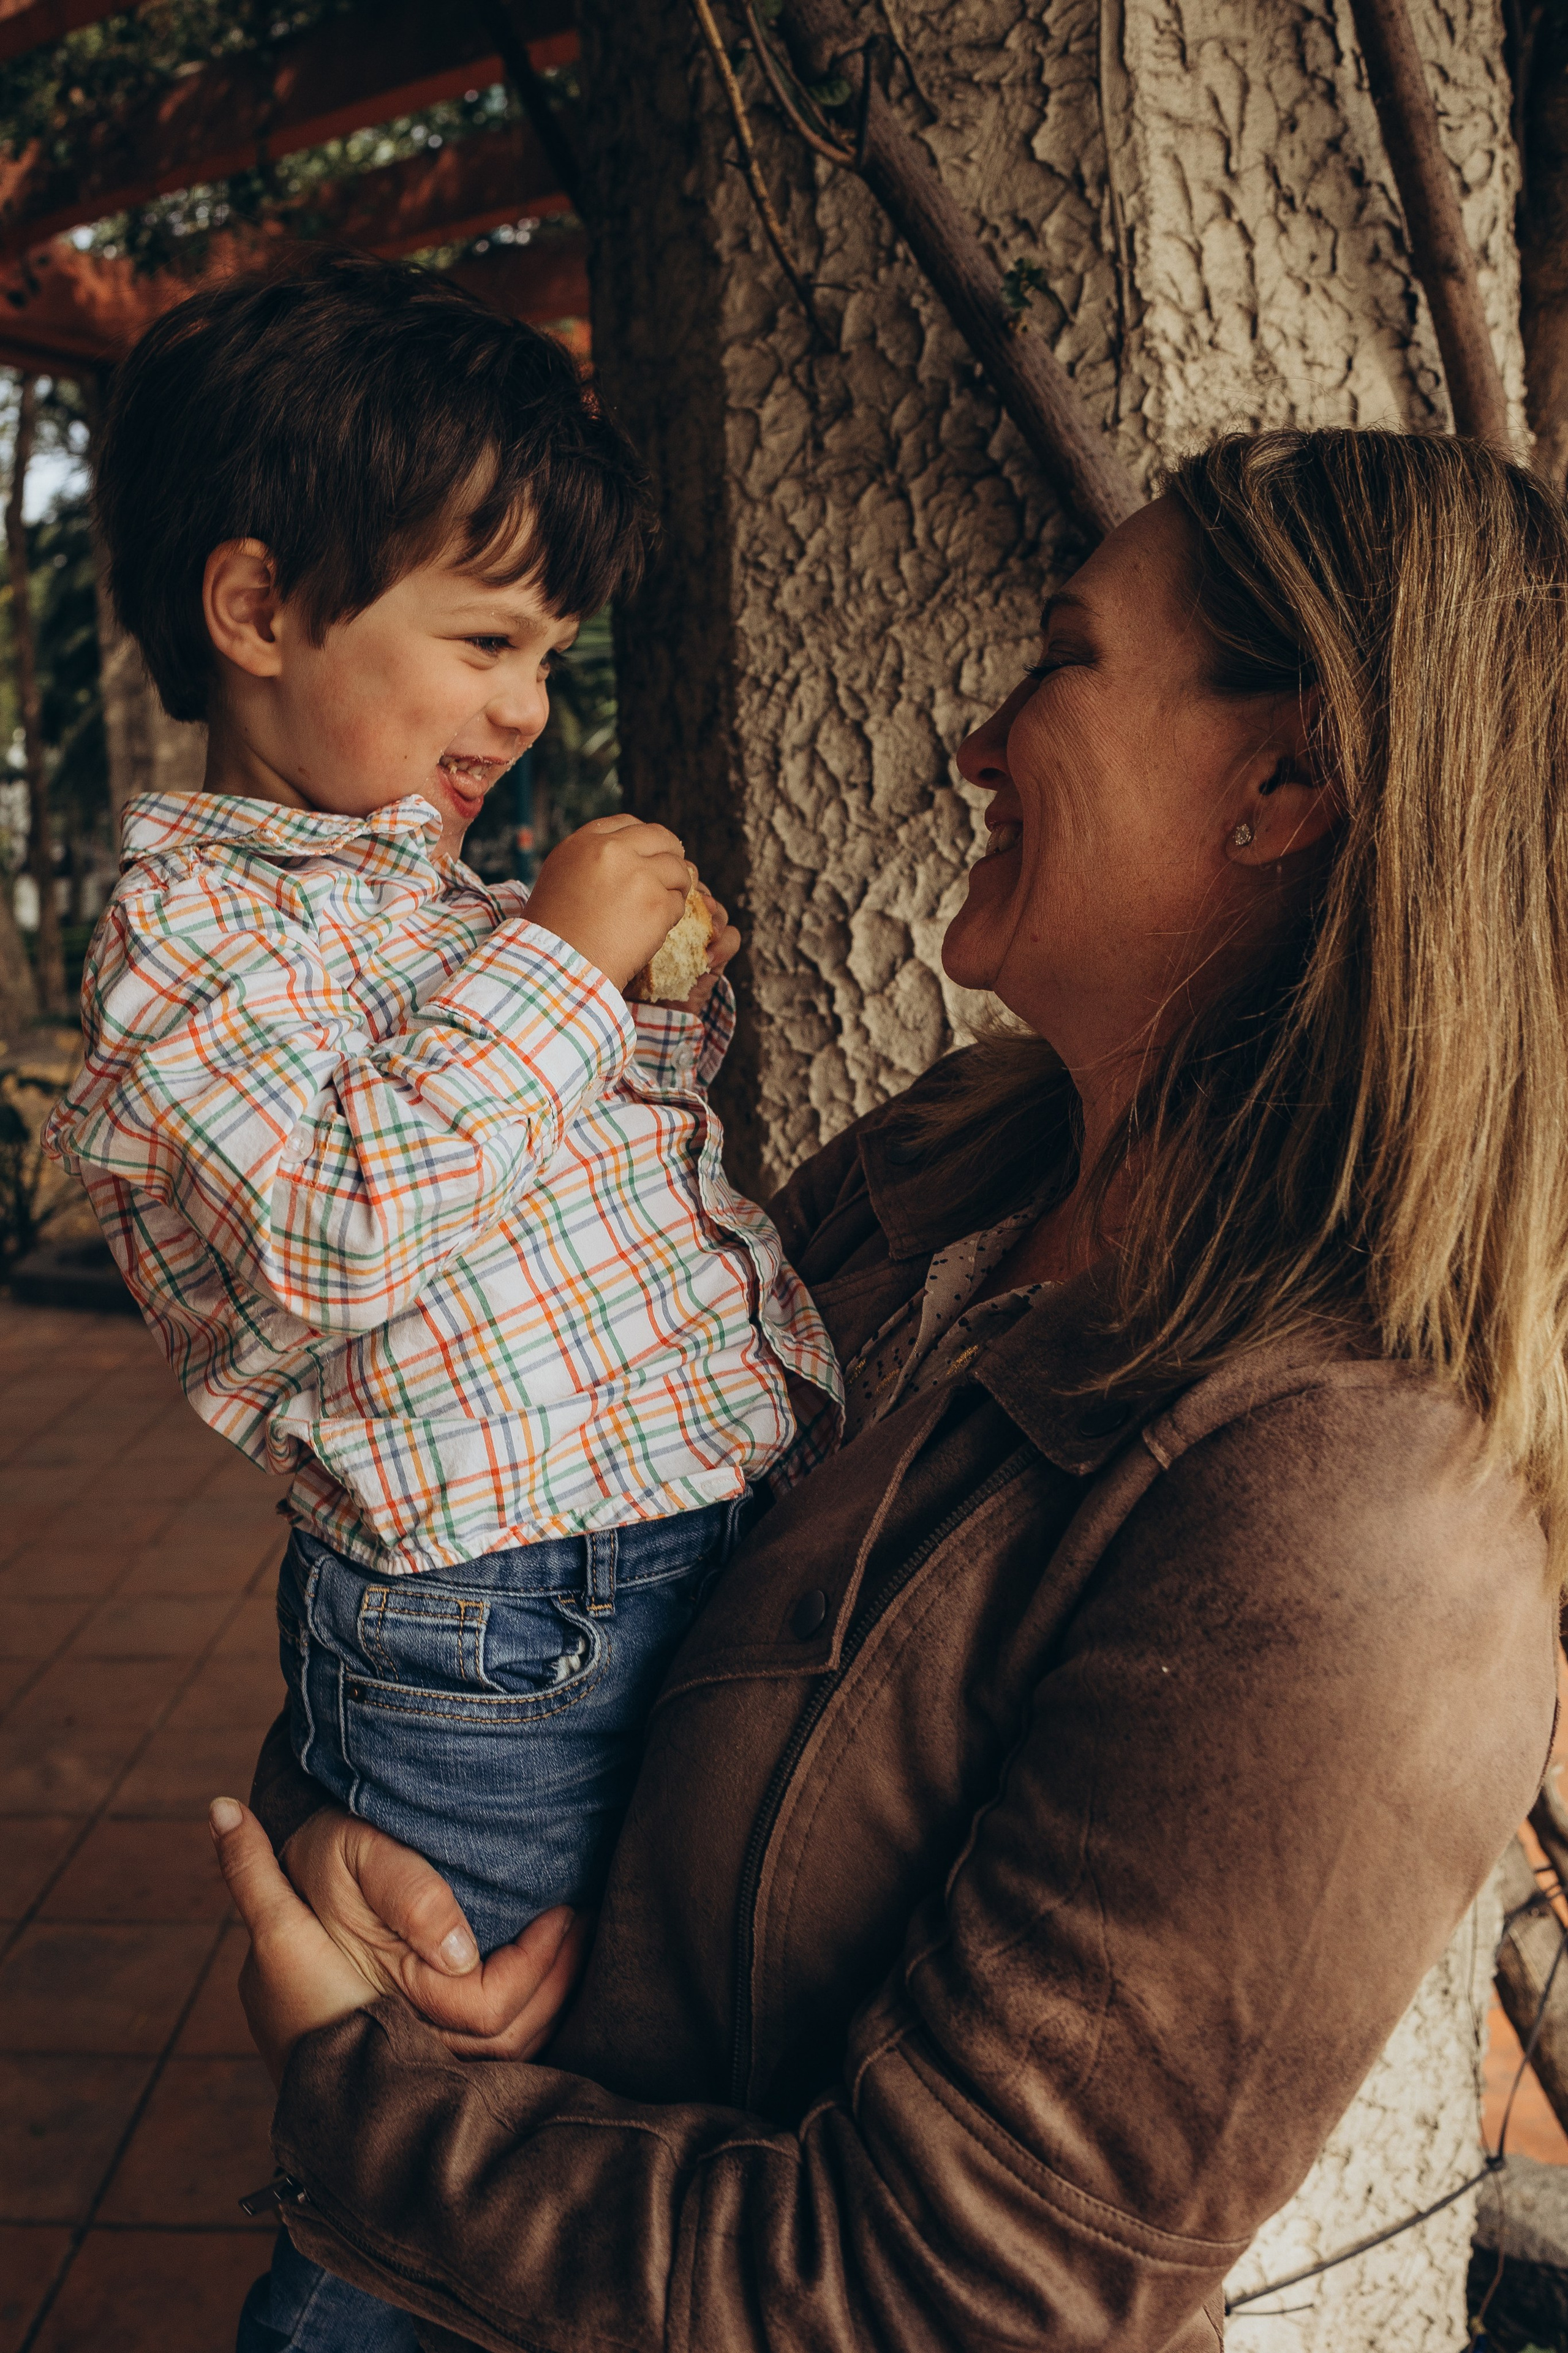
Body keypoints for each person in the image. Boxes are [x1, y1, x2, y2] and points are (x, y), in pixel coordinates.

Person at [215, 428, 1561, 2352]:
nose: (979, 740)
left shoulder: (1356, 1521)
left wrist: (366, 2092)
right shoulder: (942, 1172)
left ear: (1285, 782)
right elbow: (521, 1536)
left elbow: (940, 2298)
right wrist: (383, 1843)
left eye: (1064, 660)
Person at [42, 252, 841, 2352]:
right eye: (485, 640)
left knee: (610, 2086)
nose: (526, 706)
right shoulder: (186, 944)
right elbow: (330, 1238)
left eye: (548, 652)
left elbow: (551, 1212)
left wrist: (643, 994)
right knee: (423, 2143)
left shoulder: (423, 894)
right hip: (503, 1631)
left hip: (639, 1572)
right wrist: (561, 970)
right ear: (256, 610)